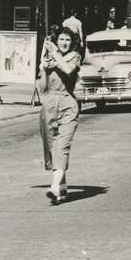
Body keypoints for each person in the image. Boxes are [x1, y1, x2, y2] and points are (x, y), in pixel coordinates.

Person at [38, 27, 82, 205]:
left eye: (67, 40)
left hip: (67, 104)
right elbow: (42, 87)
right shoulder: (50, 58)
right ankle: (62, 190)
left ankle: (55, 186)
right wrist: (42, 67)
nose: (64, 43)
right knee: (50, 146)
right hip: (48, 104)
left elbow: (68, 70)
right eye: (61, 39)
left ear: (72, 43)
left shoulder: (75, 57)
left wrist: (55, 55)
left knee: (62, 145)